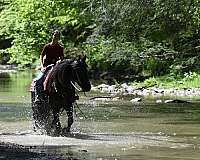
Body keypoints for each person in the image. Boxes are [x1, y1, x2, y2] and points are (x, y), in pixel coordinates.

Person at [34, 30, 64, 103]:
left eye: (57, 36)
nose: (56, 37)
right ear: (52, 36)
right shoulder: (47, 46)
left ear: (59, 38)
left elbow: (62, 57)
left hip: (56, 67)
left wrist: (60, 61)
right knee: (38, 80)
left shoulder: (60, 48)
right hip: (46, 66)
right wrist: (42, 65)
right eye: (55, 35)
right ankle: (38, 96)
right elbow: (42, 55)